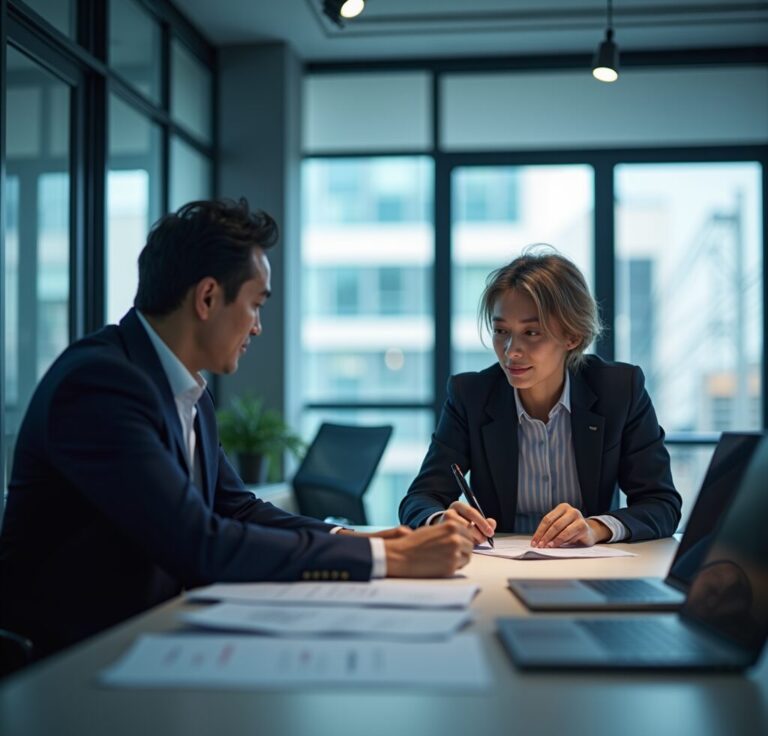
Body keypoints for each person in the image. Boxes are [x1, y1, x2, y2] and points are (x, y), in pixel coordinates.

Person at [0, 199, 474, 658]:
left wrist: (358, 541)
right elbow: (199, 543)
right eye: (255, 305)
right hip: (70, 662)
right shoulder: (101, 384)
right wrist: (391, 561)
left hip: (149, 636)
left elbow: (236, 507)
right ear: (208, 298)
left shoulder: (187, 389)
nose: (258, 327)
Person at [400, 245, 681, 548]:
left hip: (588, 567)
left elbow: (661, 504)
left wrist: (596, 527)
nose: (511, 351)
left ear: (572, 336)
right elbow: (419, 499)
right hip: (497, 568)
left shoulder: (620, 390)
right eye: (501, 331)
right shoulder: (471, 395)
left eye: (532, 333)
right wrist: (444, 520)